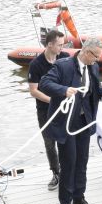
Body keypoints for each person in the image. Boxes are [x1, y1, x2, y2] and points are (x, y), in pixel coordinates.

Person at [39, 37, 102, 204]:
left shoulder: (93, 67)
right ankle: (65, 203)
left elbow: (96, 88)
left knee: (82, 160)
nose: (97, 60)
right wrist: (63, 90)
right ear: (86, 52)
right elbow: (44, 83)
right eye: (95, 56)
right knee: (69, 162)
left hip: (84, 121)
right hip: (66, 123)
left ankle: (79, 197)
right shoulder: (63, 65)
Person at [28, 29, 69, 191]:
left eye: (63, 44)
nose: (62, 47)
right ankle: (56, 173)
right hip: (45, 109)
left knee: (65, 140)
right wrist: (54, 100)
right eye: (59, 45)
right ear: (50, 44)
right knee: (50, 143)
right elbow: (34, 91)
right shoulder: (36, 64)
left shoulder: (65, 58)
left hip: (65, 107)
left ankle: (67, 170)